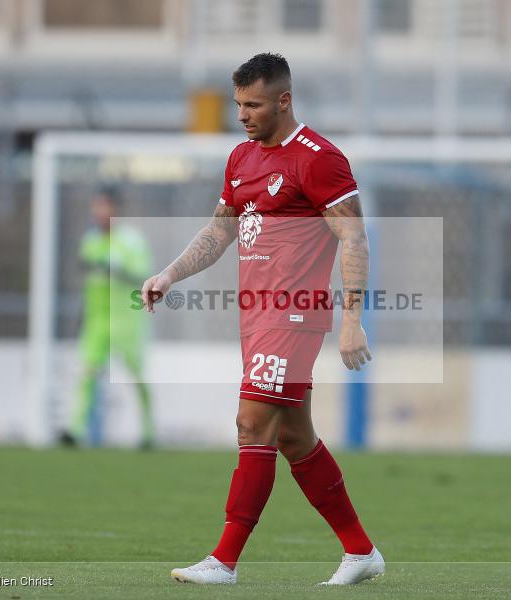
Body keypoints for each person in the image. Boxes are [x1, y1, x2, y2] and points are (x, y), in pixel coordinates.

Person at [141, 53, 383, 585]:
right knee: (294, 438)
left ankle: (223, 561)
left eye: (253, 104)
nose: (243, 115)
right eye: (238, 105)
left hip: (295, 317)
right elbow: (219, 232)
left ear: (284, 99)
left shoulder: (319, 159)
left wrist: (351, 319)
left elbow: (353, 236)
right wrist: (170, 273)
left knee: (251, 423)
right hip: (256, 316)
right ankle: (361, 551)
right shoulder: (241, 158)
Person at [61, 189, 155, 449]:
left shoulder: (131, 241)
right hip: (97, 321)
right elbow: (89, 283)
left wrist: (116, 268)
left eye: (105, 207)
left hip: (126, 320)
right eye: (97, 208)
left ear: (116, 210)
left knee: (137, 377)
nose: (100, 213)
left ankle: (148, 431)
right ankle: (74, 430)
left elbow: (143, 275)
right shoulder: (90, 241)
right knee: (87, 373)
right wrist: (82, 316)